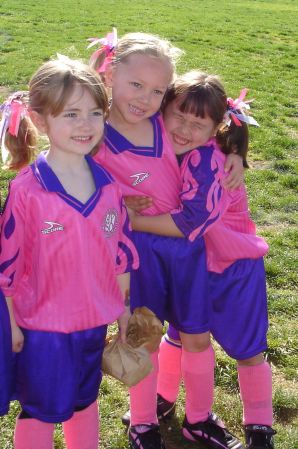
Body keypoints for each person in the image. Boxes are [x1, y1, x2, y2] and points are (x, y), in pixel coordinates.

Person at [89, 30, 244, 449]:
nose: (144, 98)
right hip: (139, 255)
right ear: (108, 76)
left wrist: (235, 151)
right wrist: (121, 208)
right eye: (136, 85)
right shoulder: (94, 137)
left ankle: (198, 419)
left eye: (157, 91)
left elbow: (210, 124)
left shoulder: (164, 122)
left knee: (196, 336)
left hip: (188, 251)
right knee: (145, 335)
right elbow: (79, 195)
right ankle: (143, 422)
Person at [129, 71, 275, 449]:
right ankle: (161, 400)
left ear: (215, 129)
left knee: (248, 349)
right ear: (164, 110)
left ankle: (259, 425)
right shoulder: (161, 141)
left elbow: (191, 221)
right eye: (179, 116)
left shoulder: (211, 162)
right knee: (179, 335)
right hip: (188, 264)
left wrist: (134, 220)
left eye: (198, 124)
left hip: (231, 267)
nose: (184, 129)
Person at [0, 57, 139, 449]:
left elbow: (120, 253)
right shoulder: (27, 191)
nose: (86, 125)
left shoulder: (109, 186)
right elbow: (6, 263)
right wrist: (10, 323)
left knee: (85, 401)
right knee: (41, 409)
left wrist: (123, 309)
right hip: (43, 328)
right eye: (71, 114)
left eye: (95, 113)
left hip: (93, 322)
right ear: (40, 120)